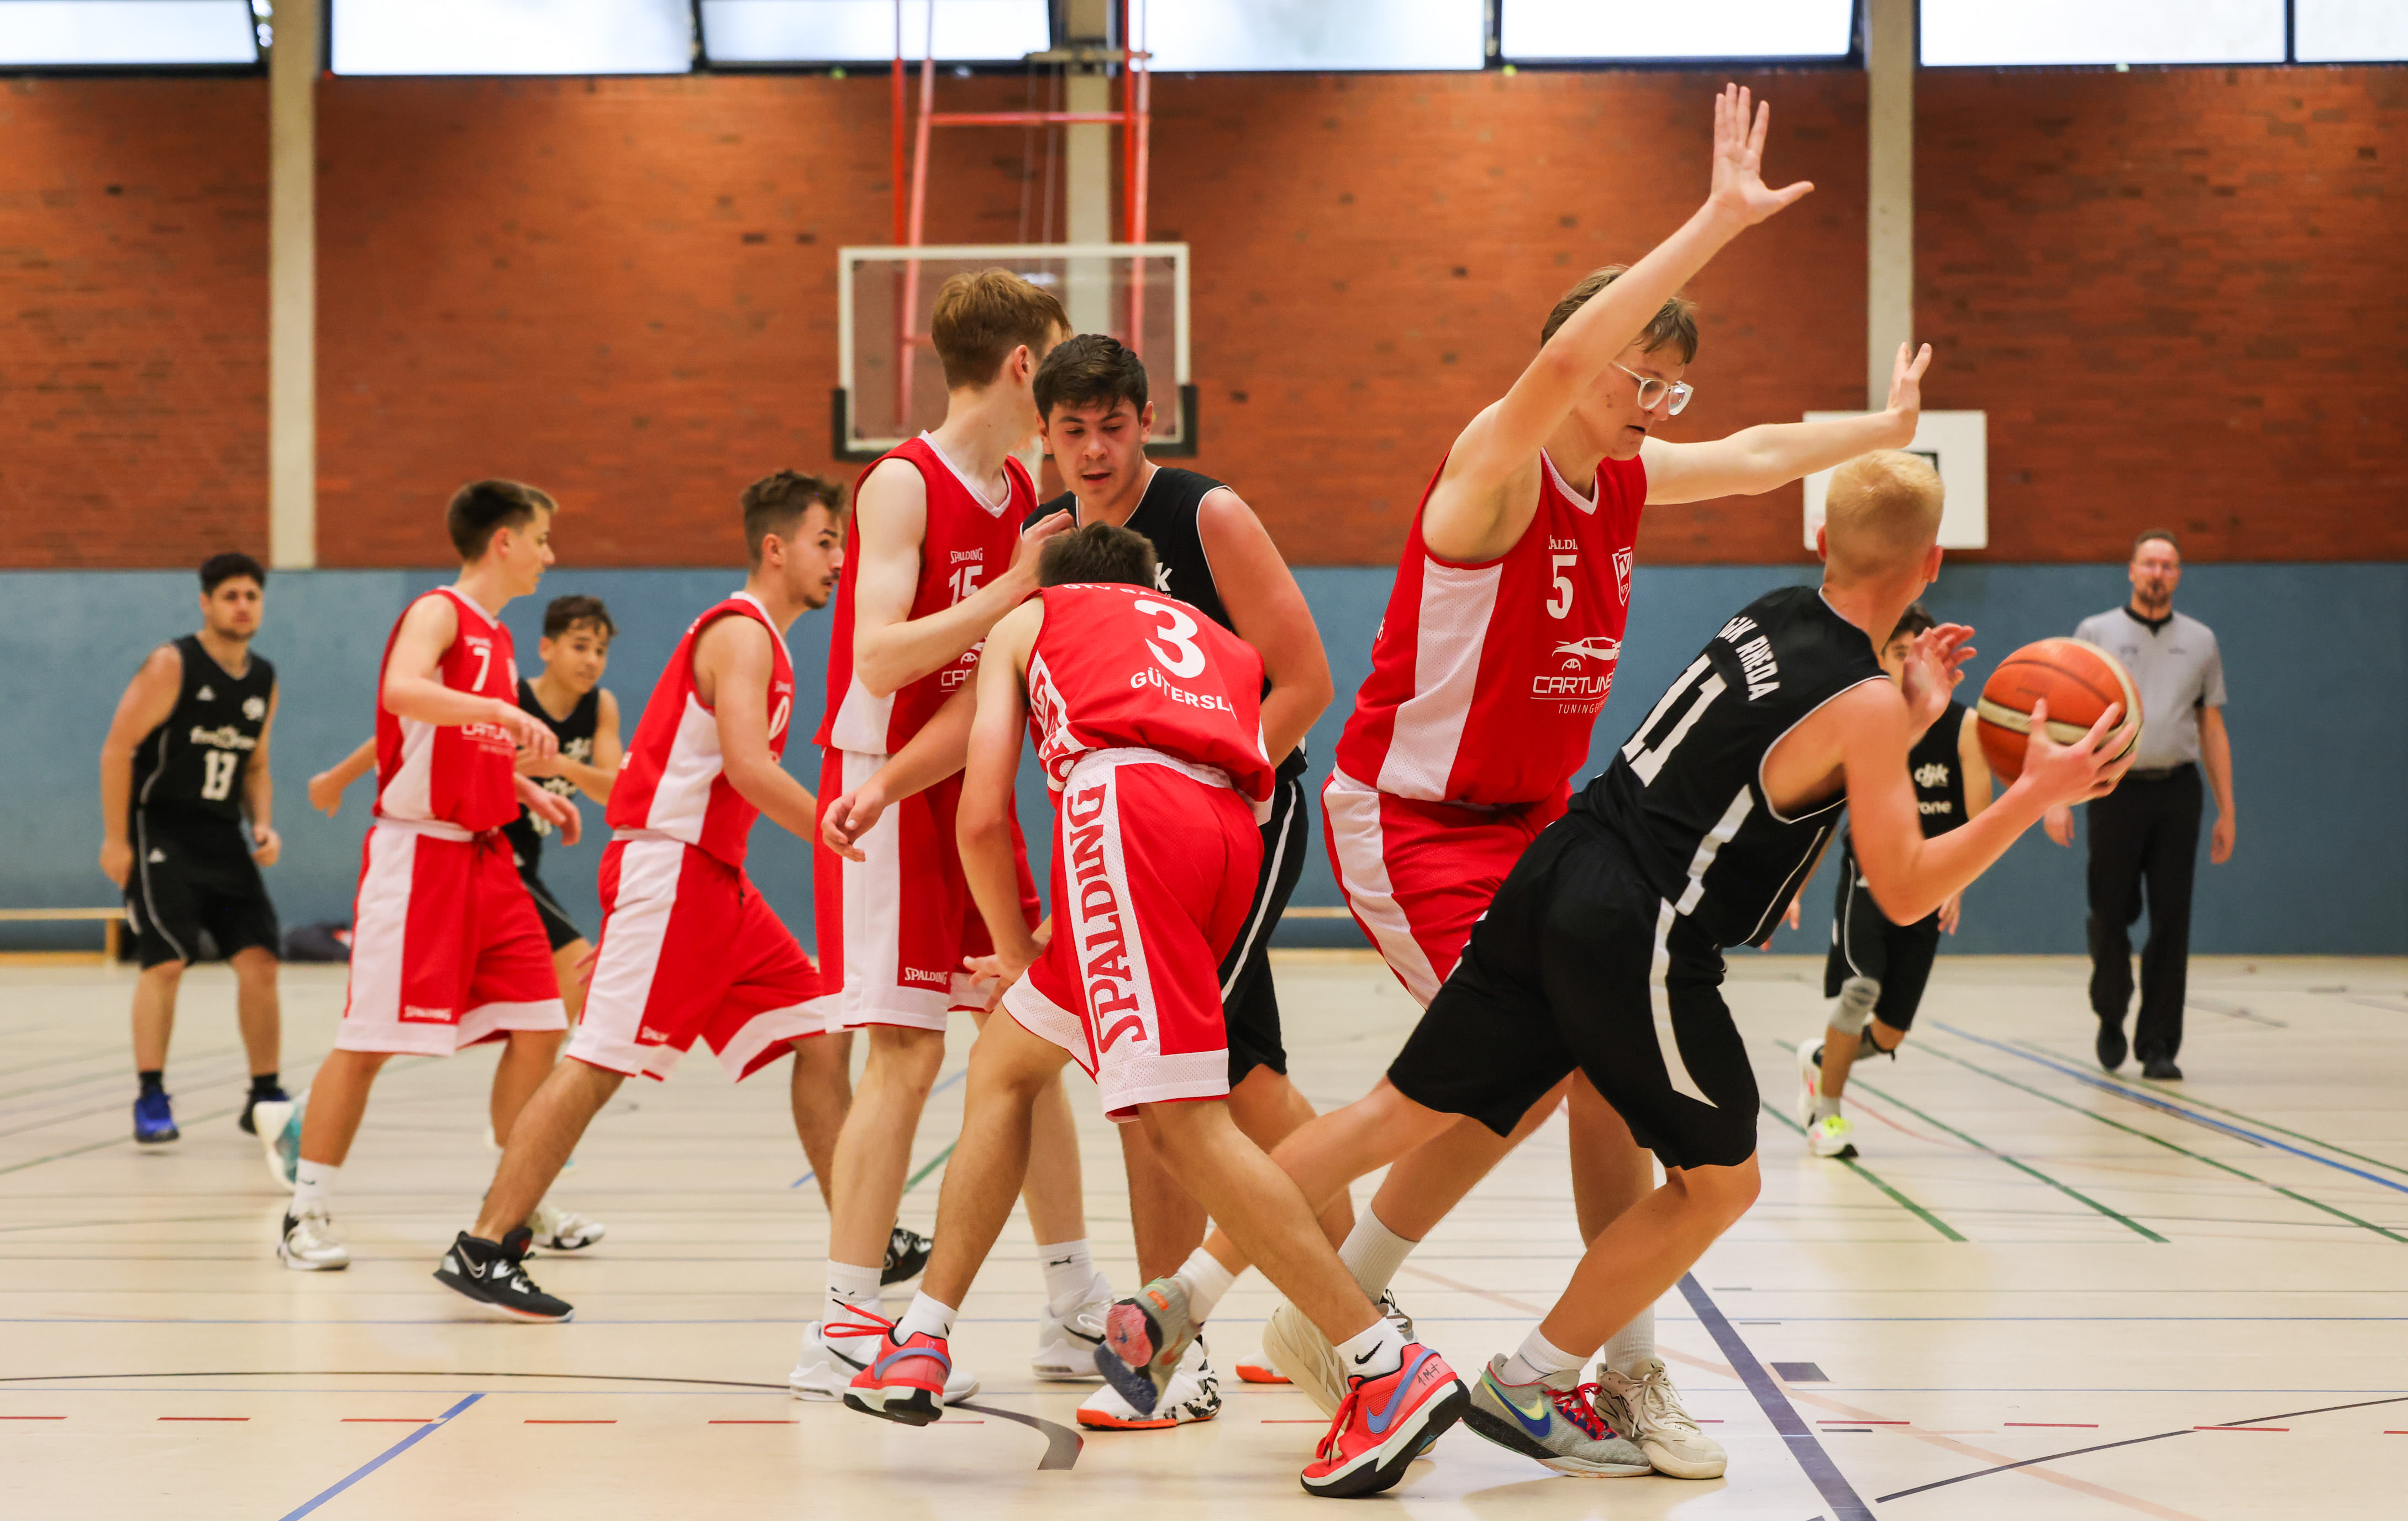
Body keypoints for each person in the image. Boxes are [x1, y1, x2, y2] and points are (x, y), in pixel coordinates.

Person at [1200, 448, 2130, 1480]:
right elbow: (1904, 888)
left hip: (1559, 866)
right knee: (1721, 1181)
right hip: (1634, 927)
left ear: (1821, 540)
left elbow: (1770, 771)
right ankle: (1534, 1378)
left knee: (1397, 1110)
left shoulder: (1770, 614)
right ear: (1932, 564)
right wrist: (2031, 794)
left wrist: (1902, 720)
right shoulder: (1862, 699)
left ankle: (1178, 1300)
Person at [1261, 83, 1933, 1480]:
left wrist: (1876, 426)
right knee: (1532, 1071)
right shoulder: (1494, 471)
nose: (1655, 408)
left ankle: (1367, 1316)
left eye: (1669, 389)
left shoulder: (1625, 479)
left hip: (1530, 826)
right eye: (1642, 380)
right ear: (1581, 366)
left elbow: (1752, 457)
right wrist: (1715, 220)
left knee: (1562, 1075)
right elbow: (1570, 353)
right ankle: (1340, 1312)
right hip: (1410, 814)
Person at [838, 521, 1470, 1500]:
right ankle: (921, 1336)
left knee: (1183, 1123)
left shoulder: (1032, 616)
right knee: (1007, 1064)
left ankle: (1380, 1361)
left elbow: (981, 815)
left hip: (1124, 815)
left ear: (1051, 583)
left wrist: (1014, 949)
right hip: (1227, 835)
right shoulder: (1204, 634)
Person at [819, 332, 1341, 1430]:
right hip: (1129, 834)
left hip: (1240, 813)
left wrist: (1215, 778)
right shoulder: (1044, 541)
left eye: (1113, 426)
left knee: (1174, 1089)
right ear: (1044, 435)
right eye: (1073, 430)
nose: (1095, 449)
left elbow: (1303, 680)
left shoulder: (1207, 514)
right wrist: (885, 782)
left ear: (1148, 421)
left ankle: (1189, 1345)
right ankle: (1334, 1286)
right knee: (1221, 1079)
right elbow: (994, 697)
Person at [434, 472, 854, 1321]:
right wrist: (841, 833)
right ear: (776, 549)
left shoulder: (763, 642)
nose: (839, 560)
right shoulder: (741, 635)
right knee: (596, 1061)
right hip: (672, 872)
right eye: (825, 542)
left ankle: (863, 1236)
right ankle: (485, 1243)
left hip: (716, 881)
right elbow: (750, 769)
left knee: (819, 1032)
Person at [796, 269, 1100, 1402]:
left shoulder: (1023, 482)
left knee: (1028, 1032)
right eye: (1055, 361)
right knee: (907, 1051)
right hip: (877, 784)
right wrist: (1013, 586)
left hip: (964, 774)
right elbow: (878, 660)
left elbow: (984, 683)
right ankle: (843, 1322)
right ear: (1024, 363)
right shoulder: (899, 483)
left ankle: (1071, 1300)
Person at [276, 481, 582, 1271]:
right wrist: (507, 715)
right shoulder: (438, 612)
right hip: (419, 857)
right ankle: (304, 1209)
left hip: (488, 858)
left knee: (542, 1025)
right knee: (369, 1043)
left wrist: (526, 792)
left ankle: (514, 1198)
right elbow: (401, 692)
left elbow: (461, 739)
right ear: (504, 541)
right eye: (541, 539)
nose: (549, 555)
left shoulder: (500, 637)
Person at [311, 594, 624, 1024]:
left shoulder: (600, 707)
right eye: (580, 646)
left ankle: (533, 1053)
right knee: (575, 967)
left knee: (529, 1000)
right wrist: (337, 779)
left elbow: (617, 791)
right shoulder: (512, 699)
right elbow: (413, 727)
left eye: (601, 651)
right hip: (490, 850)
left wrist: (563, 766)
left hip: (524, 859)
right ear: (547, 648)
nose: (591, 660)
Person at [97, 552, 287, 1144]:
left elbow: (255, 764)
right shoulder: (172, 663)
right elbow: (118, 749)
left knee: (260, 960)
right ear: (206, 603)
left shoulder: (263, 678)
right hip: (162, 834)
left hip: (221, 837)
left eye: (251, 596)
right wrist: (116, 839)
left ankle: (264, 1093)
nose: (242, 606)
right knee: (166, 962)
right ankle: (151, 1093)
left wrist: (263, 824)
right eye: (230, 596)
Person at [1794, 602, 1992, 1159]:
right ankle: (1826, 1115)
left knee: (1889, 1033)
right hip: (1868, 874)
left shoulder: (1965, 726)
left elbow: (1979, 819)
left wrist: (1957, 884)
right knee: (1860, 989)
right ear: (1880, 657)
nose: (1908, 663)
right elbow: (1825, 811)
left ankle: (1821, 1060)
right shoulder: (1867, 719)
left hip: (1926, 883)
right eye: (1898, 652)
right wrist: (1796, 887)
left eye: (1916, 653)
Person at [2045, 529, 2236, 1081]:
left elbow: (2211, 725)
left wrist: (2227, 809)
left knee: (2172, 919)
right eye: (2149, 563)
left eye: (2168, 565)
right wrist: (2056, 798)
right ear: (2131, 570)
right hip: (2112, 787)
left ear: (2178, 575)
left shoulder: (2200, 640)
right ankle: (2110, 1011)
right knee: (2109, 912)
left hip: (2177, 791)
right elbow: (2066, 716)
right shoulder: (2095, 632)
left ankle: (2158, 1045)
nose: (2157, 573)